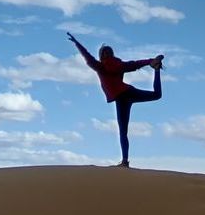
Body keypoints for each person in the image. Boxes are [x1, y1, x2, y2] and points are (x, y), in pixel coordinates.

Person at [66, 31, 164, 167]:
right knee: (156, 95)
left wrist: (77, 44)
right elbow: (134, 64)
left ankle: (125, 161)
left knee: (123, 131)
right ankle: (157, 69)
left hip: (121, 98)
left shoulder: (100, 66)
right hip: (129, 92)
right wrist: (151, 62)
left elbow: (88, 57)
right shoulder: (119, 65)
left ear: (101, 56)